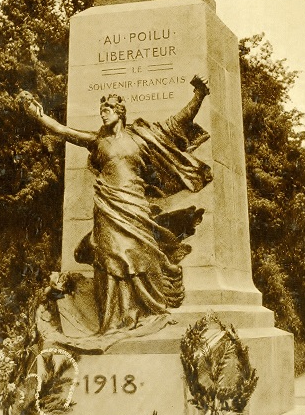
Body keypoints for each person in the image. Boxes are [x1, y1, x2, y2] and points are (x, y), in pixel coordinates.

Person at [18, 77, 211, 343]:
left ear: (119, 112)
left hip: (135, 206)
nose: (103, 113)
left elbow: (178, 121)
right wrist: (38, 116)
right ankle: (110, 321)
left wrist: (199, 95)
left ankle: (148, 308)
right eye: (101, 110)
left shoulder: (143, 138)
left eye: (107, 109)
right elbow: (63, 131)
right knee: (108, 259)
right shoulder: (97, 141)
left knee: (141, 255)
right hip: (108, 206)